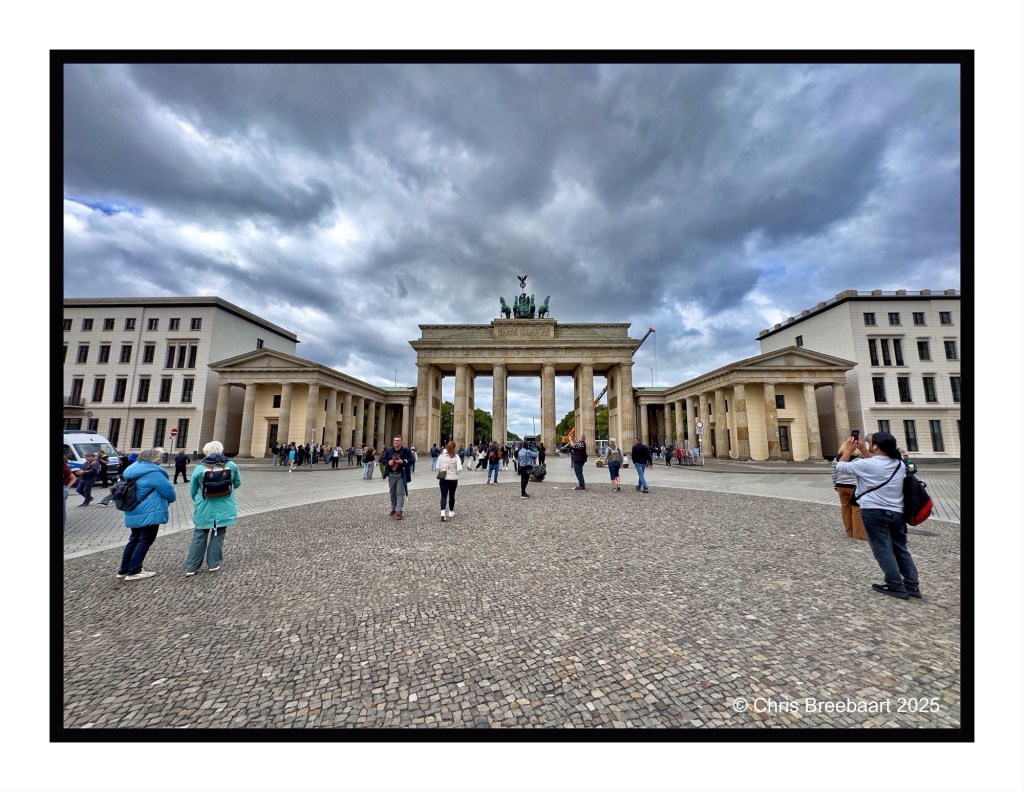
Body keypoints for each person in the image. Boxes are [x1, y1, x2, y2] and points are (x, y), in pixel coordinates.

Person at [836, 431, 919, 600]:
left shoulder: (865, 464)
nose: (867, 446)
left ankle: (895, 585)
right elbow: (875, 461)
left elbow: (840, 467)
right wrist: (861, 448)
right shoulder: (899, 464)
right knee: (900, 549)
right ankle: (912, 586)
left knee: (882, 549)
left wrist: (848, 450)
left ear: (875, 446)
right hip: (897, 512)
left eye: (870, 444)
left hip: (874, 511)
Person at [116, 447, 177, 581]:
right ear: (155, 458)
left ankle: (124, 569)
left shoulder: (132, 469)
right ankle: (134, 570)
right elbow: (168, 492)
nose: (162, 459)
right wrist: (171, 498)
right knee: (145, 540)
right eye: (161, 456)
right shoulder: (153, 472)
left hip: (133, 508)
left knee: (134, 539)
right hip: (149, 511)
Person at [184, 440, 242, 575]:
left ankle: (192, 567)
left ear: (206, 452)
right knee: (218, 534)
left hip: (204, 506)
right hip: (224, 506)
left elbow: (192, 491)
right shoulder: (231, 465)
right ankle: (213, 564)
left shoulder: (199, 468)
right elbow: (237, 483)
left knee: (199, 534)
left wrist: (199, 500)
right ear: (221, 451)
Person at [831, 442, 866, 540]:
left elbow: (834, 473)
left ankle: (849, 531)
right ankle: (858, 532)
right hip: (853, 486)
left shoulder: (836, 459)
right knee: (856, 508)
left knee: (845, 507)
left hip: (841, 486)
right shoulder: (859, 460)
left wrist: (835, 485)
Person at [379, 435, 414, 519]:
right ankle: (393, 507)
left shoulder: (405, 450)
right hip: (391, 474)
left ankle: (399, 510)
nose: (396, 442)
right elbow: (381, 460)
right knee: (392, 492)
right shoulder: (389, 450)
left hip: (401, 474)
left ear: (401, 442)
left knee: (400, 493)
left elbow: (412, 460)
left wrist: (403, 461)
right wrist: (388, 462)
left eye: (398, 440)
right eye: (395, 440)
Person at [436, 440, 462, 522]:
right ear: (454, 447)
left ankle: (442, 513)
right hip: (453, 479)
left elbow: (437, 467)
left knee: (443, 496)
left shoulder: (441, 456)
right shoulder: (456, 457)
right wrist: (455, 472)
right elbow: (459, 468)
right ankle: (450, 512)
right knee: (452, 495)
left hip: (443, 479)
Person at [61, 454, 74, 533]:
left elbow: (73, 478)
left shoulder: (64, 469)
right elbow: (73, 478)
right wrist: (66, 487)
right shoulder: (66, 469)